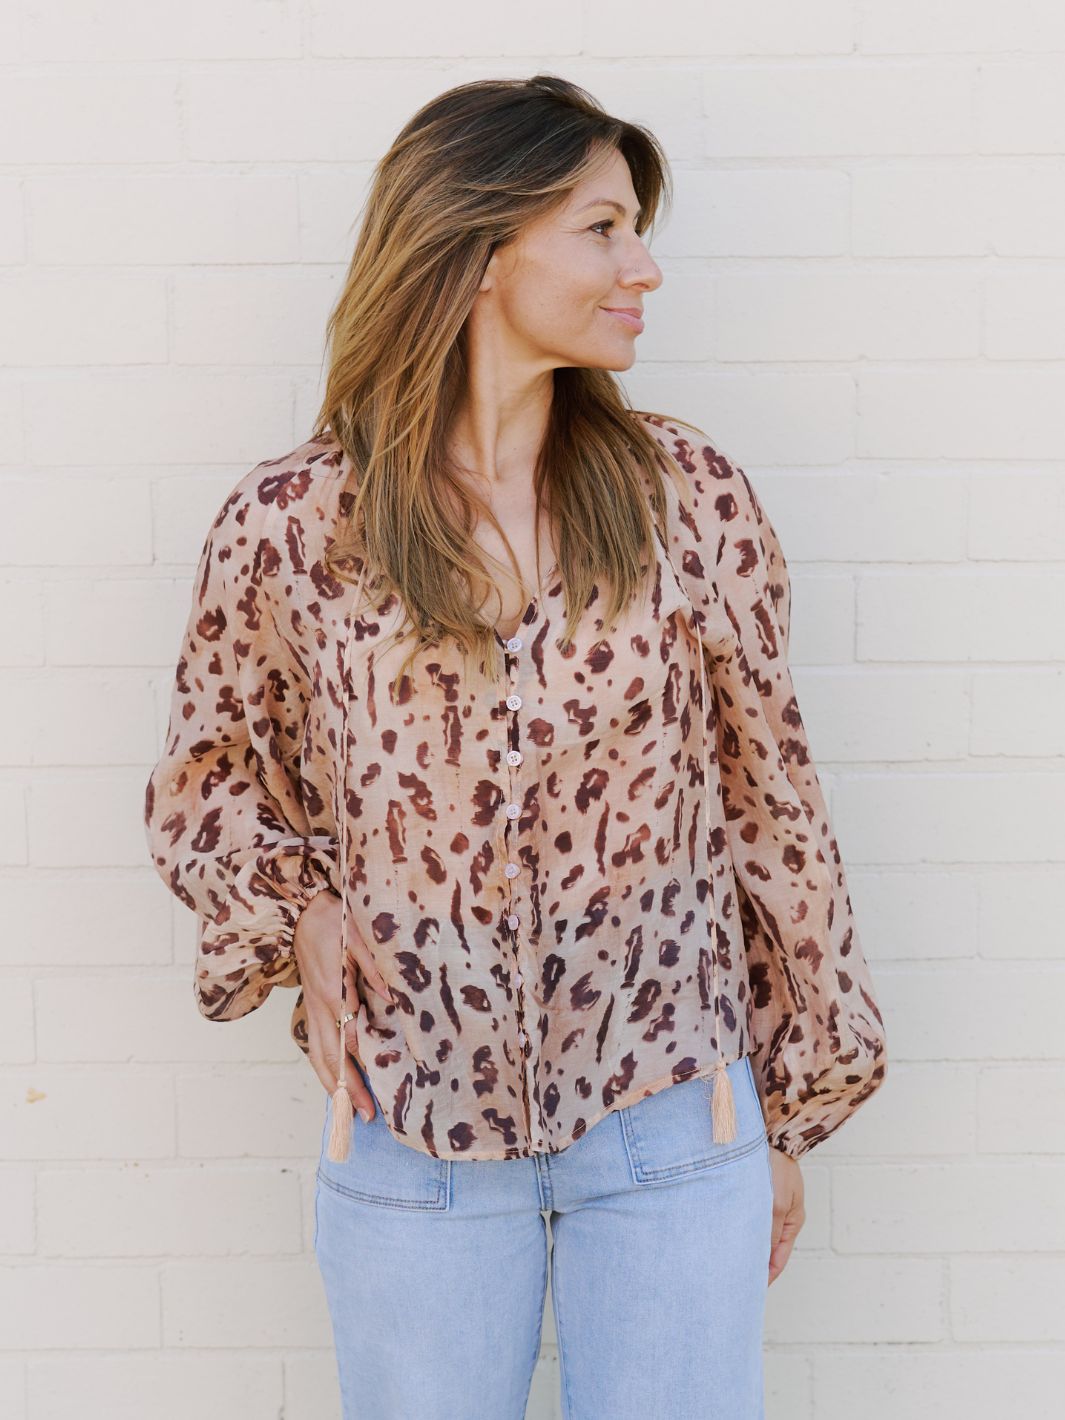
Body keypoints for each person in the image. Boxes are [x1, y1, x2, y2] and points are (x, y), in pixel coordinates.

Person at [144, 74, 887, 1420]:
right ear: (480, 247)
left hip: (673, 1120)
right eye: (603, 229)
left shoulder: (685, 501)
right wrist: (302, 909)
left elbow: (772, 806)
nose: (642, 268)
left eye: (636, 231)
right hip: (409, 1127)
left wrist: (784, 1112)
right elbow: (207, 786)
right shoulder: (295, 524)